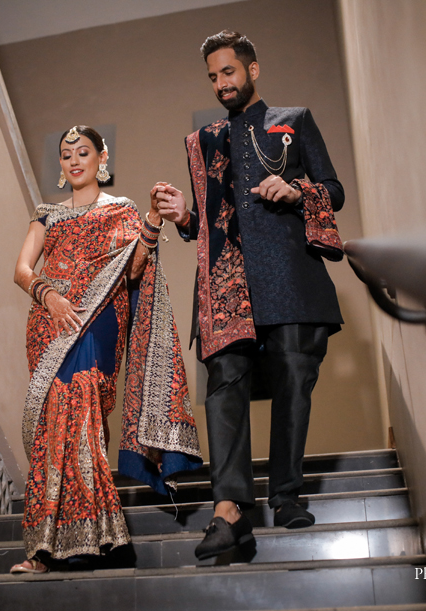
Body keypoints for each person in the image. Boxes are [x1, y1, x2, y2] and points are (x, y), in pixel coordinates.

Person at [152, 31, 345, 560]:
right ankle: (229, 510)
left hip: (290, 277)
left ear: (252, 69)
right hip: (227, 286)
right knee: (224, 386)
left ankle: (285, 496)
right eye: (213, 76)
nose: (221, 83)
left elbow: (333, 190)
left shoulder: (294, 120)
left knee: (293, 380)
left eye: (229, 72)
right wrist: (183, 217)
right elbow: (212, 223)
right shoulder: (206, 140)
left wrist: (297, 190)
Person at [12, 125, 202, 573]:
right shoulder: (46, 215)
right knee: (53, 425)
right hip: (50, 324)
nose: (74, 161)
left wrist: (151, 219)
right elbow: (21, 269)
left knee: (83, 417)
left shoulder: (121, 211)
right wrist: (50, 297)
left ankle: (85, 537)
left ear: (102, 157)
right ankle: (45, 548)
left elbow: (133, 270)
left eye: (83, 152)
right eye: (66, 155)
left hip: (97, 322)